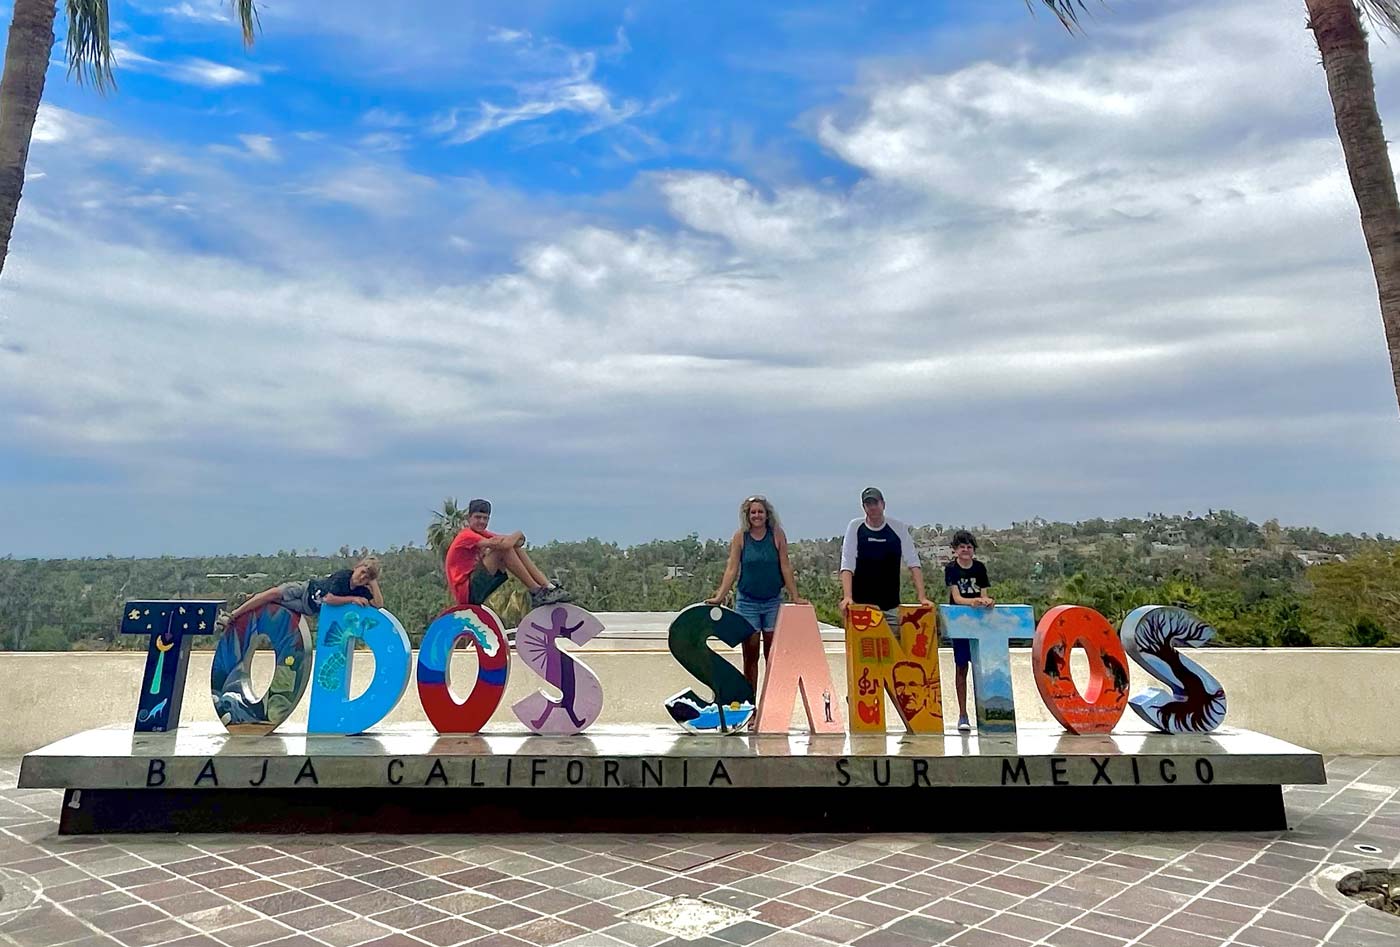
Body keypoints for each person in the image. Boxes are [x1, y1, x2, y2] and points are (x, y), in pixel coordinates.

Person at [706, 495, 806, 693]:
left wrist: (795, 596)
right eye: (753, 512)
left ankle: (772, 705)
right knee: (750, 656)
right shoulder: (740, 537)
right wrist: (719, 597)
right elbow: (732, 569)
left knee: (772, 655)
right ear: (747, 515)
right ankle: (750, 705)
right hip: (748, 602)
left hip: (772, 602)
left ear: (767, 514)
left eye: (760, 512)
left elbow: (785, 566)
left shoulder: (776, 535)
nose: (757, 516)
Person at [445, 498, 572, 609]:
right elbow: (507, 544)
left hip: (474, 590)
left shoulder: (482, 534)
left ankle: (547, 587)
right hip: (465, 593)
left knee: (512, 547)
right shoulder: (466, 535)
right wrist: (518, 533)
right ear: (469, 518)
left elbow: (517, 542)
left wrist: (516, 538)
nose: (482, 522)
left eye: (485, 518)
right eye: (478, 517)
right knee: (503, 550)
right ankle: (536, 591)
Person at [838, 486, 933, 633]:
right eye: (868, 504)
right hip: (861, 606)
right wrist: (847, 597)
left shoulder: (898, 528)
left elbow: (913, 562)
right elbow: (847, 563)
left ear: (883, 504)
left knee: (893, 650)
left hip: (891, 605)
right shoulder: (855, 527)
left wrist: (922, 597)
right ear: (864, 507)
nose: (872, 507)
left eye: (875, 503)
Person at [217, 557, 383, 630]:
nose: (363, 577)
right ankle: (232, 615)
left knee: (270, 604)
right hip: (305, 589)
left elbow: (378, 604)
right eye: (363, 572)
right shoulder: (343, 576)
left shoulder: (362, 590)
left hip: (307, 607)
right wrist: (354, 598)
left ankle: (253, 597)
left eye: (367, 577)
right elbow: (329, 599)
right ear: (356, 567)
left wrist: (373, 583)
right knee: (273, 594)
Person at [945, 529, 995, 732]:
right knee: (961, 667)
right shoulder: (951, 569)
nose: (966, 550)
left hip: (980, 624)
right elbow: (957, 598)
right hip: (960, 622)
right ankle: (962, 713)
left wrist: (987, 601)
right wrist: (973, 602)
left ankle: (987, 713)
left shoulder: (980, 568)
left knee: (982, 669)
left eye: (969, 547)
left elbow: (985, 594)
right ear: (955, 550)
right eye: (962, 547)